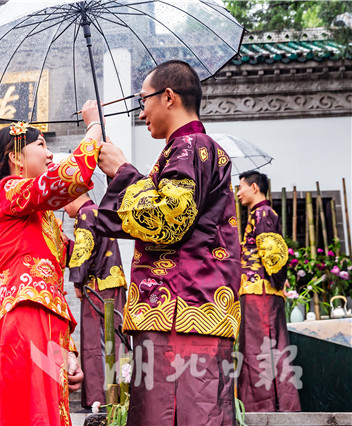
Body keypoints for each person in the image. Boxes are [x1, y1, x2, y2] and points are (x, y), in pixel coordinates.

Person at [96, 60, 242, 425]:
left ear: (169, 96)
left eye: (142, 100)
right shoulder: (189, 149)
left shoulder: (190, 145)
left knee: (174, 415)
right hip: (185, 312)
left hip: (180, 313)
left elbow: (167, 220)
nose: (141, 111)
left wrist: (124, 172)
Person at [0, 103, 103, 425]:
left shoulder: (44, 217)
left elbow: (76, 260)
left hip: (49, 323)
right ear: (16, 156)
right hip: (25, 318)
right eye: (41, 145)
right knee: (32, 412)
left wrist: (69, 350)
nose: (49, 155)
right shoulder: (8, 192)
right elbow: (63, 181)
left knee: (50, 411)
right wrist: (93, 129)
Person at [236, 170, 301, 412]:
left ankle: (265, 409)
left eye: (241, 187)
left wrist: (276, 280)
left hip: (260, 292)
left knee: (260, 349)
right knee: (262, 347)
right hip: (258, 290)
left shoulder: (263, 213)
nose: (238, 192)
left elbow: (273, 253)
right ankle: (274, 406)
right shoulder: (259, 213)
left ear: (254, 187)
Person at [64, 193, 127, 409]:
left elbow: (84, 251)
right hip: (110, 282)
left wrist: (77, 282)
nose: (64, 209)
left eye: (65, 203)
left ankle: (101, 398)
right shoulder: (96, 212)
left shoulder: (85, 214)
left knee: (99, 342)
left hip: (98, 287)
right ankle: (117, 394)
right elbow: (92, 249)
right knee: (112, 340)